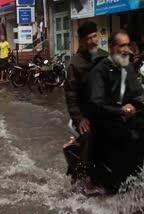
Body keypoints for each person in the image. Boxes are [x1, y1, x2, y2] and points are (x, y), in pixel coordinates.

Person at [86, 30, 144, 193]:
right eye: (122, 45)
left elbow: (138, 92)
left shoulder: (128, 68)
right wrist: (120, 110)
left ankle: (134, 177)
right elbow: (96, 103)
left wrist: (136, 103)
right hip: (106, 119)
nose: (126, 49)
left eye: (128, 45)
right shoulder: (100, 70)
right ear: (112, 48)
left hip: (127, 118)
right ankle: (105, 181)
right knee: (129, 137)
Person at [64, 21, 107, 195]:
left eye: (95, 36)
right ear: (82, 41)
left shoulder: (105, 57)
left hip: (107, 110)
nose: (93, 40)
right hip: (87, 114)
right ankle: (86, 176)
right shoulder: (75, 64)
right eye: (89, 38)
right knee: (89, 134)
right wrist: (79, 118)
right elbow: (71, 96)